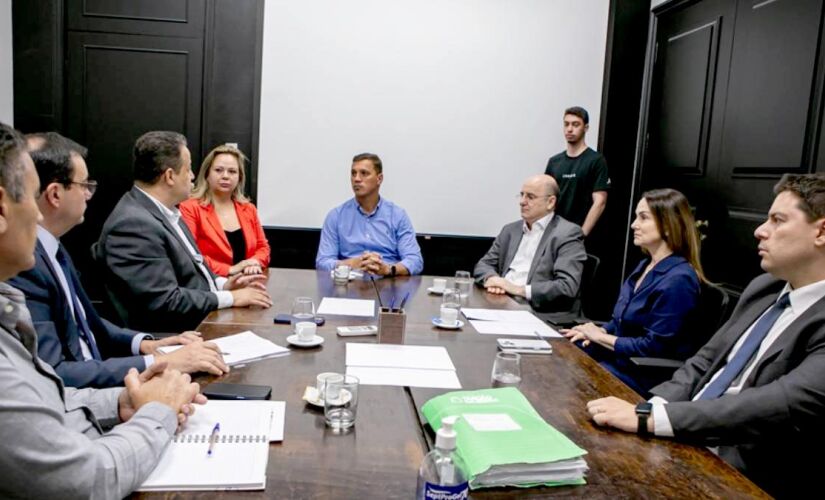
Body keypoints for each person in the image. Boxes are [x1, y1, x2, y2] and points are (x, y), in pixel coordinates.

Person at [586, 173, 825, 498]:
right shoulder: (764, 288)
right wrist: (652, 406)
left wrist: (652, 419)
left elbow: (781, 402)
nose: (760, 230)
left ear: (821, 232)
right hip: (685, 431)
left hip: (742, 469)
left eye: (777, 220)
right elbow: (703, 362)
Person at [0, 121, 205, 498]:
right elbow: (85, 481)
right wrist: (155, 411)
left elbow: (48, 393)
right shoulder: (22, 277)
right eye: (30, 196)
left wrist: (123, 399)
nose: (37, 214)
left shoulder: (46, 259)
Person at [9, 132, 229, 388]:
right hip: (87, 398)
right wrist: (157, 363)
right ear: (55, 194)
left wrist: (144, 343)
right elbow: (54, 373)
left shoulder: (53, 247)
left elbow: (85, 321)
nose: (89, 195)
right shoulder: (25, 264)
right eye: (85, 185)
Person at [95, 131, 272, 333]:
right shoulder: (134, 224)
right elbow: (166, 301)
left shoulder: (166, 212)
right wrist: (231, 298)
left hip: (199, 320)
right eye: (188, 170)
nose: (193, 176)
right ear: (170, 176)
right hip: (176, 335)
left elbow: (195, 271)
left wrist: (225, 285)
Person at [563, 189, 704, 395]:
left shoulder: (679, 280)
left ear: (667, 225)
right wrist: (598, 331)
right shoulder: (644, 265)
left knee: (570, 378)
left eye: (643, 218)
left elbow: (653, 347)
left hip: (643, 373)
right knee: (564, 350)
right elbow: (621, 322)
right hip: (619, 358)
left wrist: (600, 338)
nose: (634, 225)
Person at [473, 174, 585, 316]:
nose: (522, 202)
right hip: (501, 302)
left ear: (550, 202)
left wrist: (518, 289)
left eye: (530, 197)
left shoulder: (567, 233)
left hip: (538, 312)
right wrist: (493, 280)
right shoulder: (510, 230)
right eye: (521, 195)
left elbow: (566, 286)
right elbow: (484, 265)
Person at [315, 152, 423, 276]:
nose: (356, 179)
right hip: (348, 286)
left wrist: (388, 269)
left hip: (388, 285)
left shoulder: (397, 216)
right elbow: (322, 262)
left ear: (379, 179)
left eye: (364, 173)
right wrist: (351, 264)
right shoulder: (336, 216)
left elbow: (415, 261)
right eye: (353, 173)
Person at [179, 144, 270, 277]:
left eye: (232, 171)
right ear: (207, 174)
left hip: (247, 282)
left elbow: (263, 248)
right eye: (218, 170)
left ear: (240, 177)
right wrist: (229, 270)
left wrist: (254, 262)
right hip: (208, 285)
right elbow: (190, 254)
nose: (225, 176)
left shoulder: (248, 209)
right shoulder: (190, 207)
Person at [544, 106, 610, 236]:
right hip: (553, 232)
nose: (569, 129)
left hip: (579, 233)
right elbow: (546, 198)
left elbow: (600, 202)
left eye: (575, 125)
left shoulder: (596, 160)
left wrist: (582, 234)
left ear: (585, 128)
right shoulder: (554, 162)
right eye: (566, 124)